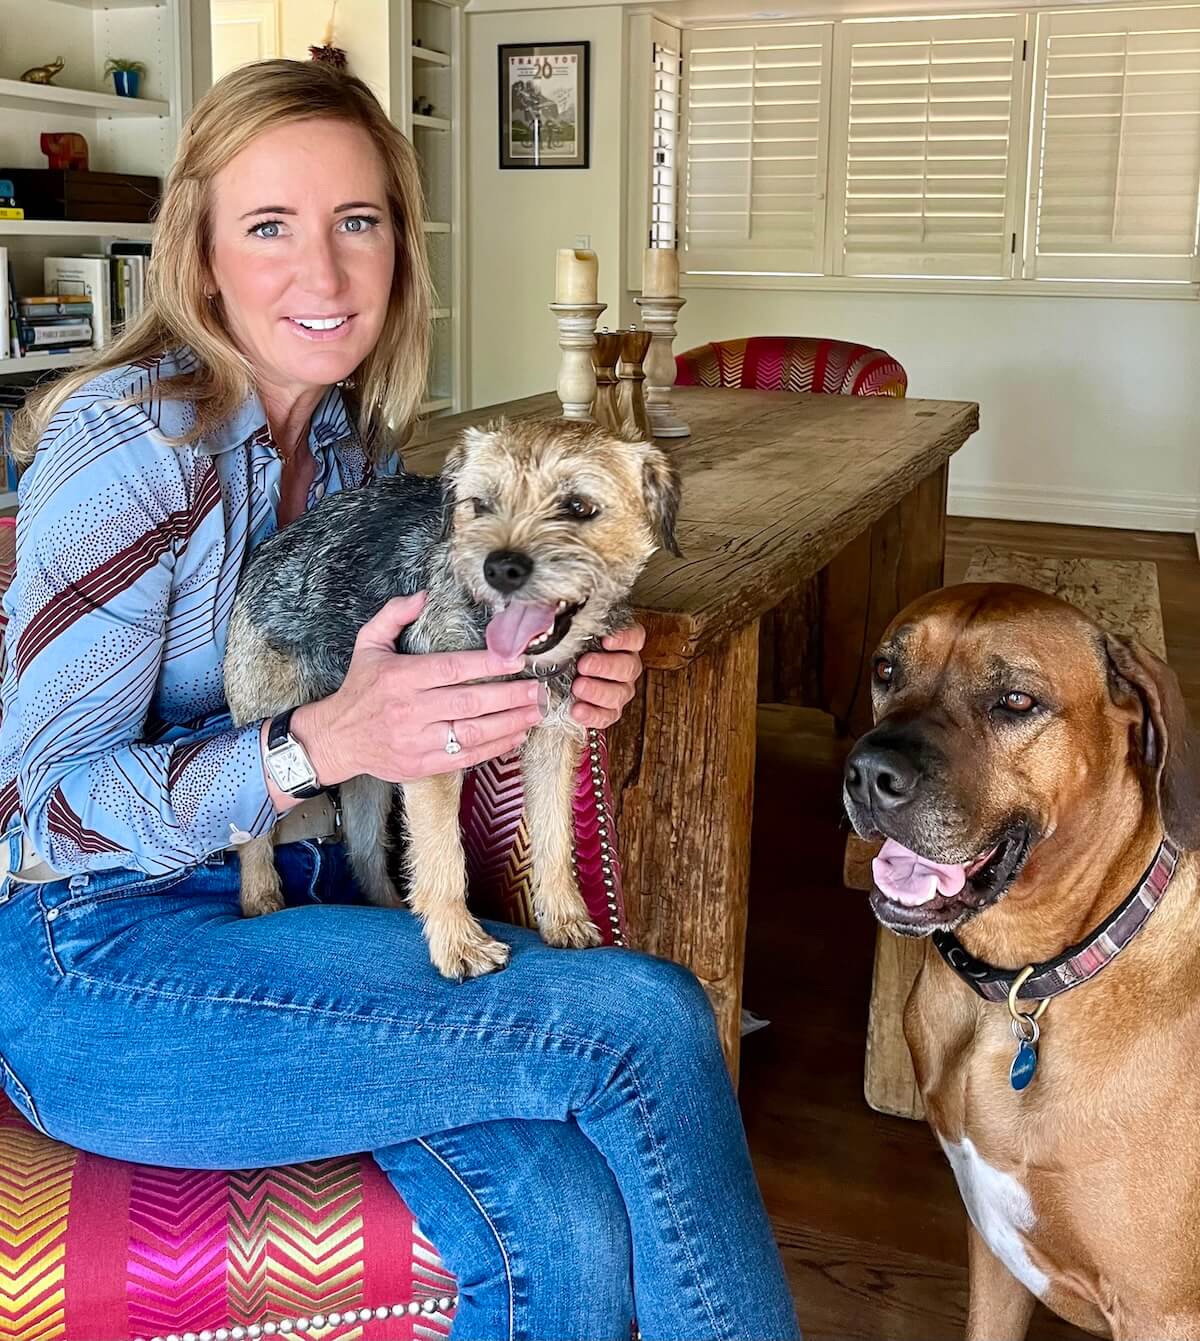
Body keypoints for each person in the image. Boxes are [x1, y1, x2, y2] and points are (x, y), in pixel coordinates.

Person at [0, 60, 800, 1340]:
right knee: (645, 1021)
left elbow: (443, 659)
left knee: (571, 1221)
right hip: (100, 959)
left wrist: (559, 666)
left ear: (398, 252)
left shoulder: (363, 446)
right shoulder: (128, 447)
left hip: (317, 911)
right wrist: (315, 740)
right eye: (269, 226)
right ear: (199, 253)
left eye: (356, 223)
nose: (322, 276)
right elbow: (28, 816)